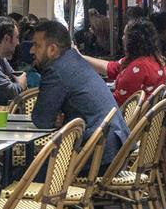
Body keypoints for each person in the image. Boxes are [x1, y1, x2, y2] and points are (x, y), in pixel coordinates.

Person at [30, 21, 130, 169]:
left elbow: (41, 120)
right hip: (115, 151)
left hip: (95, 158)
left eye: (37, 45)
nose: (32, 50)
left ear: (52, 49)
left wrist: (55, 118)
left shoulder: (55, 70)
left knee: (19, 174)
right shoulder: (74, 60)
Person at [80, 18, 166, 106]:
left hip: (122, 117)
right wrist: (79, 56)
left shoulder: (138, 67)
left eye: (125, 35)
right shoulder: (154, 60)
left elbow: (119, 101)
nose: (122, 38)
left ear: (133, 40)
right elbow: (112, 68)